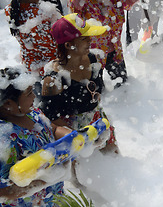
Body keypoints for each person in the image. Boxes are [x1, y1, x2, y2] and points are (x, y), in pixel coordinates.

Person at [39, 13, 116, 149]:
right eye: (84, 38)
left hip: (96, 118)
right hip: (71, 132)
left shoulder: (92, 58)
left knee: (112, 156)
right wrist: (79, 136)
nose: (90, 41)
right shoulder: (53, 80)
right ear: (68, 45)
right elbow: (49, 118)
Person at [0, 66, 72, 206]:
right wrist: (44, 181)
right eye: (28, 93)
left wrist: (71, 136)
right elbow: (4, 191)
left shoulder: (33, 113)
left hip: (52, 196)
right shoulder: (4, 138)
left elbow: (53, 129)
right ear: (8, 104)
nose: (34, 96)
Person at [66, 0, 139, 86]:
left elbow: (131, 3)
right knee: (95, 89)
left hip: (114, 49)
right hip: (91, 53)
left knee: (123, 86)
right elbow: (75, 6)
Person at [5, 0, 60, 76]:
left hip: (31, 65)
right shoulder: (45, 13)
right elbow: (61, 37)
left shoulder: (9, 10)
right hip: (53, 65)